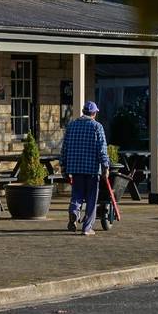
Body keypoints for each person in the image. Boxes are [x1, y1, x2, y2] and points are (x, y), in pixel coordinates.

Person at [60, 100, 110, 235]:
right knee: (91, 200)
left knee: (76, 194)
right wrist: (106, 166)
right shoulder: (97, 127)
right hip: (92, 169)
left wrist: (63, 166)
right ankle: (87, 228)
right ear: (93, 113)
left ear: (83, 111)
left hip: (75, 168)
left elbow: (64, 148)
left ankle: (74, 212)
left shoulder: (71, 126)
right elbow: (102, 149)